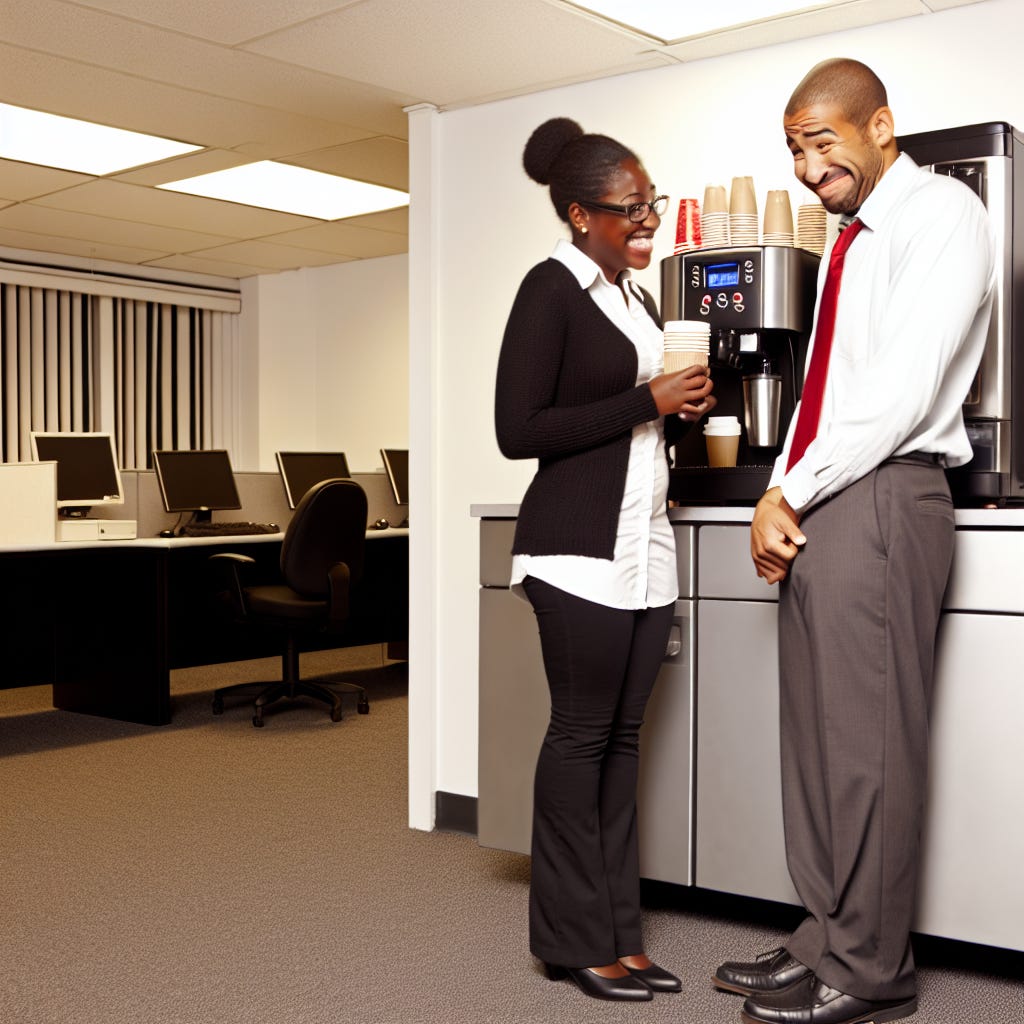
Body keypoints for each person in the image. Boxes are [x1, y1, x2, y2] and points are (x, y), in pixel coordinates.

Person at [713, 59, 995, 1024]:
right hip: (828, 497)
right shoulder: (849, 239)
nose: (806, 164)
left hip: (886, 496)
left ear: (880, 125)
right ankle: (824, 936)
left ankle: (873, 969)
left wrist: (788, 486)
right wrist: (780, 496)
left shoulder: (941, 217)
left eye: (822, 141)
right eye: (794, 147)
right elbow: (822, 392)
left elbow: (902, 390)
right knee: (820, 745)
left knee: (869, 745)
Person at [494, 117, 716, 1002]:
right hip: (575, 554)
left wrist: (675, 407)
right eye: (630, 209)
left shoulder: (637, 298)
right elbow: (520, 432)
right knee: (581, 737)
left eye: (651, 203)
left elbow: (635, 416)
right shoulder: (548, 290)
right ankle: (570, 940)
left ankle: (620, 936)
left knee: (621, 744)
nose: (646, 221)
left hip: (643, 553)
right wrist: (643, 398)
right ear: (582, 214)